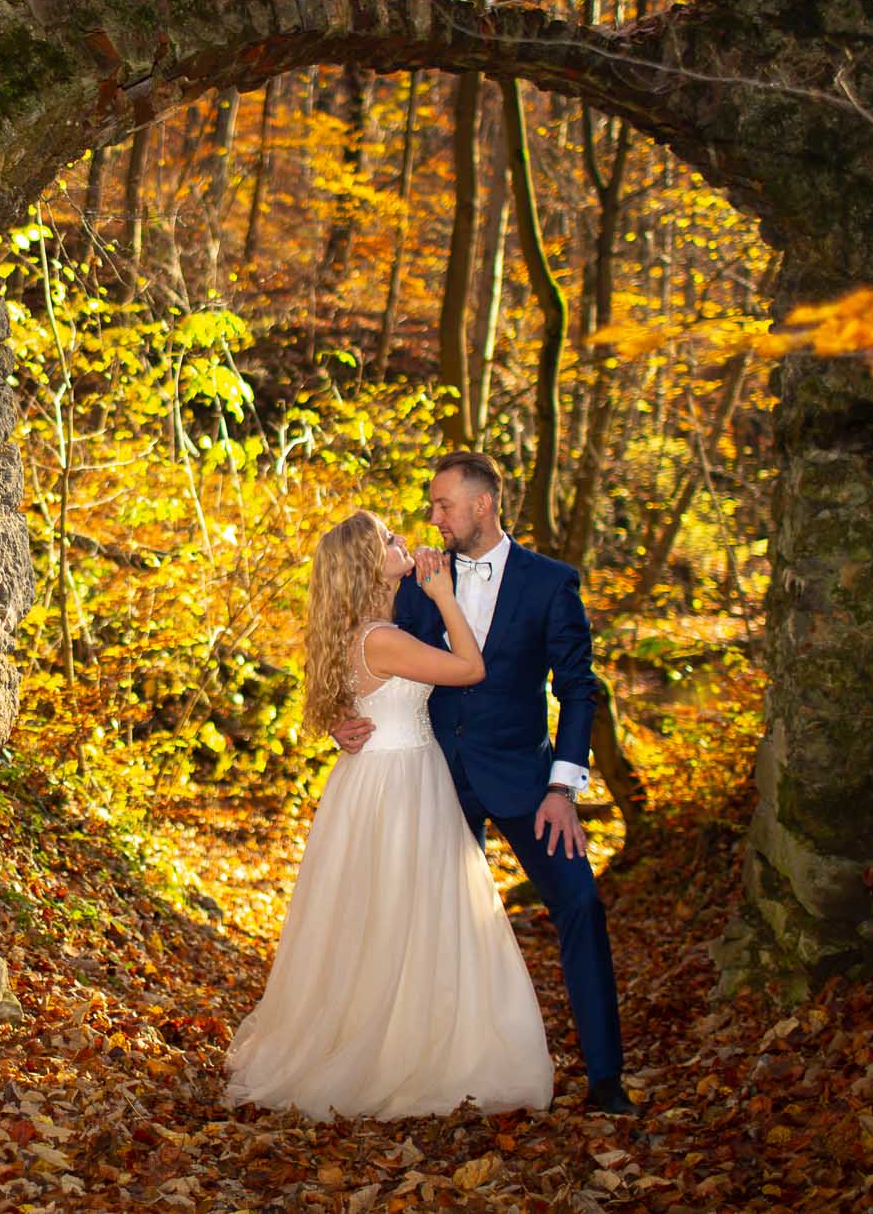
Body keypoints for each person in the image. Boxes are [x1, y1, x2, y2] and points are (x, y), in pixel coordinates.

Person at [224, 510, 554, 1119]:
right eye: (388, 540)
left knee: (384, 916)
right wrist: (444, 594)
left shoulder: (363, 632)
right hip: (401, 783)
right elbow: (471, 668)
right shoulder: (381, 638)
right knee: (406, 912)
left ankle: (402, 1036)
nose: (403, 540)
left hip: (377, 780)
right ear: (367, 565)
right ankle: (403, 1053)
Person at [335, 451, 637, 1117]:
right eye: (431, 506)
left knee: (581, 903)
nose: (433, 518)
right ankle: (436, 1069)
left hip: (527, 780)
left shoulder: (551, 583)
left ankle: (606, 1078)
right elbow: (354, 647)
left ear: (483, 504)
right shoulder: (412, 578)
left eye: (443, 505)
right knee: (429, 926)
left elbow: (578, 688)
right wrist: (340, 719)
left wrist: (563, 787)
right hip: (430, 779)